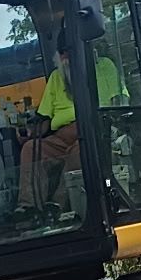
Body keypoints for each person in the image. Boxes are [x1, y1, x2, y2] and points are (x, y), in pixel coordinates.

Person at [17, 29, 122, 214]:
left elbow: (118, 104)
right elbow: (45, 119)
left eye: (69, 50)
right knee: (30, 150)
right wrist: (29, 134)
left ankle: (59, 205)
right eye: (62, 52)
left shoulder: (105, 67)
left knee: (81, 149)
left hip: (93, 131)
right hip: (61, 137)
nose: (66, 56)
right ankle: (28, 208)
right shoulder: (56, 78)